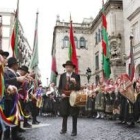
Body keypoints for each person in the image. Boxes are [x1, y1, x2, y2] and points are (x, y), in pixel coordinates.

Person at [58, 60, 81, 136]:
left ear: (72, 68)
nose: (68, 68)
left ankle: (74, 130)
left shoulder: (76, 76)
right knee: (64, 113)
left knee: (74, 114)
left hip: (73, 97)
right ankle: (63, 129)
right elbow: (60, 87)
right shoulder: (62, 76)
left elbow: (78, 88)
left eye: (70, 67)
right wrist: (62, 94)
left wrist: (75, 82)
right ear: (65, 67)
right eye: (67, 67)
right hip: (64, 97)